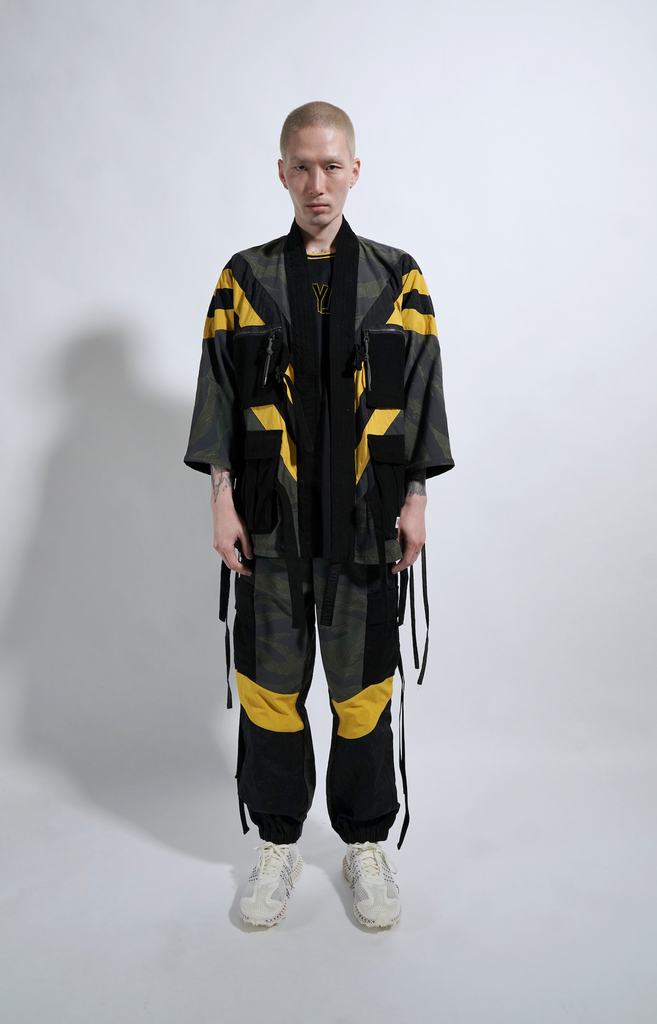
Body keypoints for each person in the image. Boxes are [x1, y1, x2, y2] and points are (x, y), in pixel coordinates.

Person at [184, 101, 454, 928]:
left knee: (363, 692)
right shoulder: (245, 279)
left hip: (367, 527)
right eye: (301, 167)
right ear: (281, 172)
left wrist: (415, 498)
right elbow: (218, 390)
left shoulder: (398, 280)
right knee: (270, 690)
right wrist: (221, 499)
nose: (317, 184)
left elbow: (422, 391)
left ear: (355, 170)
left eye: (331, 166)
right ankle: (277, 843)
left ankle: (364, 843)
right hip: (270, 527)